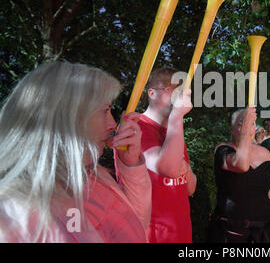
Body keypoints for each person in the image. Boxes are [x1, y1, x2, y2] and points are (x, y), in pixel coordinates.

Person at [0, 61, 151, 242]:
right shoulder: (11, 217)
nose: (113, 124)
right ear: (67, 117)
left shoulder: (90, 176)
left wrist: (131, 163)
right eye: (105, 110)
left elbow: (136, 223)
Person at [208, 108, 270, 243]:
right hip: (231, 233)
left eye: (251, 123)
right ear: (231, 128)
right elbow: (241, 164)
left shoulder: (265, 153)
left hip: (265, 231)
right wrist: (246, 128)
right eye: (242, 123)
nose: (248, 127)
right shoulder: (223, 150)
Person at [138, 67, 196, 243]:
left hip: (181, 232)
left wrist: (184, 167)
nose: (179, 96)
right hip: (152, 235)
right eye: (172, 90)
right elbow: (169, 168)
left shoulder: (173, 129)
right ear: (152, 93)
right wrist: (177, 116)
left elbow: (190, 187)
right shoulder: (136, 126)